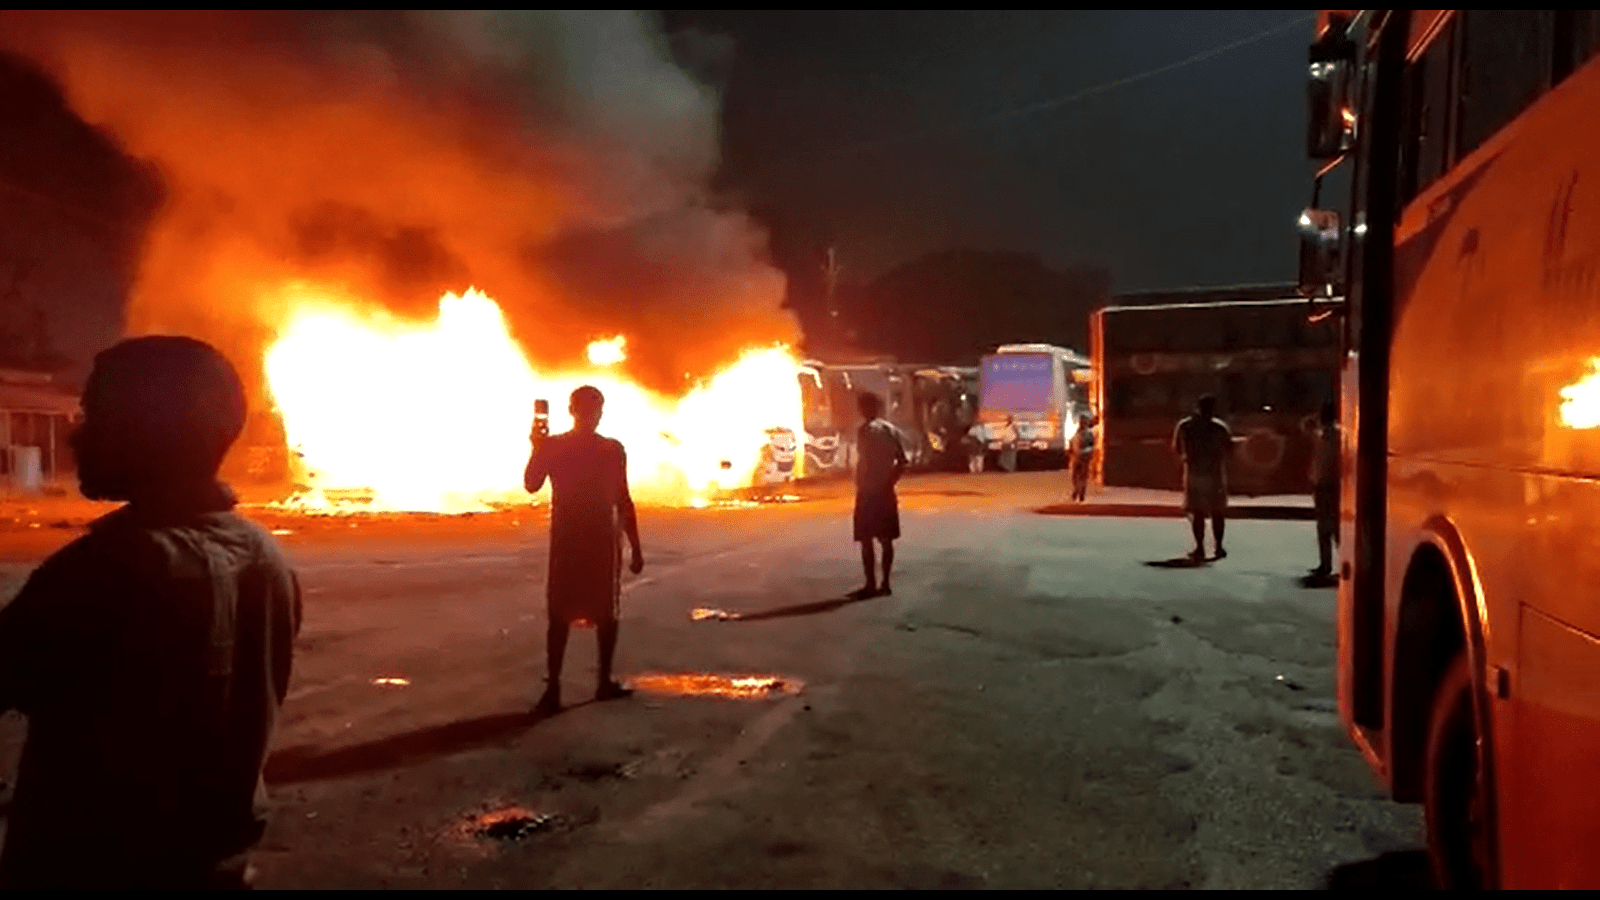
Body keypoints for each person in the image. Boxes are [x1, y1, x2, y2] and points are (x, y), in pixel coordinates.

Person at [0, 336, 302, 889]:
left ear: (149, 431)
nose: (77, 434)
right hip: (217, 867)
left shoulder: (106, 568)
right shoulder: (266, 557)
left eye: (96, 415)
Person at [524, 385, 643, 715]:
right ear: (574, 410)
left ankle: (565, 688)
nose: (595, 413)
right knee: (583, 614)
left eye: (597, 407)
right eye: (591, 407)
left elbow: (623, 498)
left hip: (583, 541)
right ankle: (588, 684)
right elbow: (532, 484)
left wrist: (635, 545)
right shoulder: (598, 448)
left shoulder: (605, 449)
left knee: (584, 614)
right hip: (585, 541)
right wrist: (536, 448)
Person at [851, 392, 908, 599]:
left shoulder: (864, 431)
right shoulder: (891, 431)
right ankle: (884, 583)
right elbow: (902, 461)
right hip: (883, 492)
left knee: (867, 539)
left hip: (867, 493)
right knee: (885, 539)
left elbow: (863, 461)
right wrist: (889, 483)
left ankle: (870, 584)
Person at [1172, 395, 1234, 562]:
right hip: (1215, 473)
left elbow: (1177, 447)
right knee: (1217, 511)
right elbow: (1230, 448)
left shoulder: (1186, 426)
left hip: (1194, 472)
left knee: (1197, 512)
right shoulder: (1219, 427)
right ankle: (1218, 546)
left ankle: (1200, 548)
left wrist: (1187, 459)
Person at [1307, 400, 1341, 581]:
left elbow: (1305, 425)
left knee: (1324, 527)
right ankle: (1341, 562)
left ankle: (1325, 564)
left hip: (1324, 483)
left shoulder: (1322, 434)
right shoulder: (1340, 433)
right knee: (1336, 526)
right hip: (1335, 483)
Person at [1068, 412, 1096, 502]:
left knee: (1082, 476)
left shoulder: (1088, 434)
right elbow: (1072, 443)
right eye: (1080, 422)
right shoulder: (1077, 433)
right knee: (1075, 476)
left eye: (1083, 422)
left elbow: (1092, 446)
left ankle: (1080, 494)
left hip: (1083, 458)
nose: (1081, 423)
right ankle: (1076, 491)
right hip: (1076, 458)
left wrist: (1085, 453)